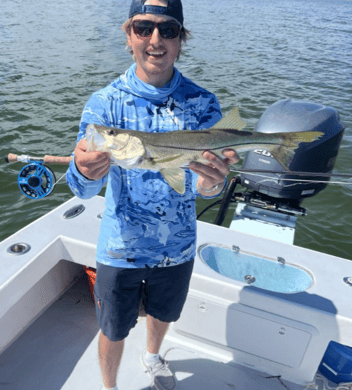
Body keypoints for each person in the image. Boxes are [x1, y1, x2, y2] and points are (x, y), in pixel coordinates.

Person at [66, 1, 239, 389]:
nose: (155, 39)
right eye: (144, 28)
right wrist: (82, 170)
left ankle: (153, 356)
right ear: (129, 36)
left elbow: (208, 184)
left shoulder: (203, 104)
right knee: (112, 328)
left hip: (177, 245)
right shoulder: (104, 104)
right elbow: (80, 188)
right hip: (119, 246)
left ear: (181, 40)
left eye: (168, 29)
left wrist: (213, 182)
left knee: (164, 314)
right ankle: (110, 385)